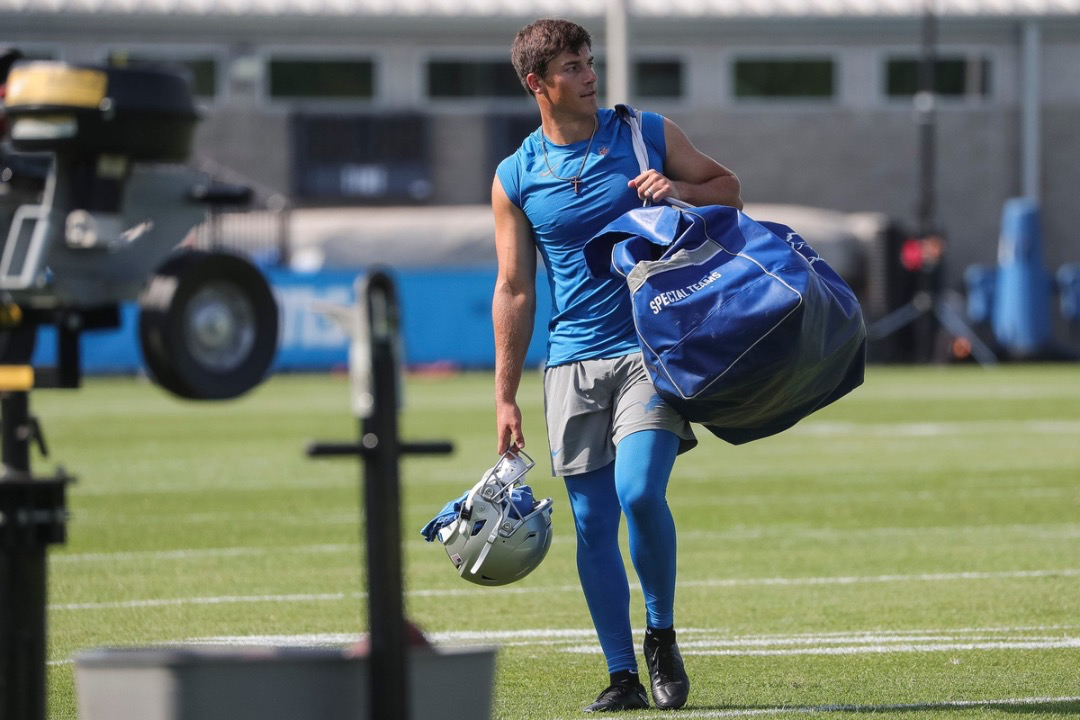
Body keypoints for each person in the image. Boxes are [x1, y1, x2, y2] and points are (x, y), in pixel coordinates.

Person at [491, 18, 743, 713]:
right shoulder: (516, 175)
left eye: (589, 61)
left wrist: (680, 194)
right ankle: (622, 675)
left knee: (638, 493)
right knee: (594, 524)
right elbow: (514, 288)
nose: (589, 75)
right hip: (570, 362)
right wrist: (505, 396)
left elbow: (729, 188)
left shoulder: (645, 132)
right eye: (571, 67)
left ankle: (660, 633)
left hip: (648, 349)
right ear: (536, 84)